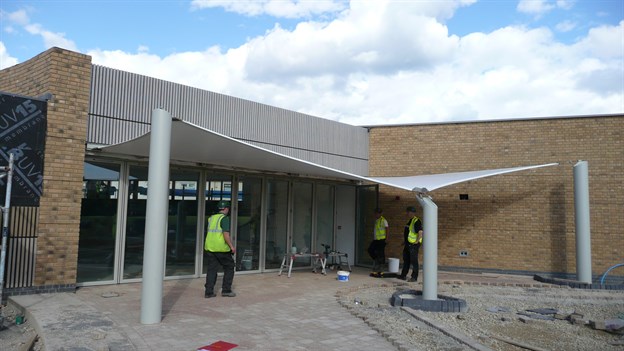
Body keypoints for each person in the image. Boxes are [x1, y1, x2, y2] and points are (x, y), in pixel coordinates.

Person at [204, 200, 237, 298]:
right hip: (221, 248)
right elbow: (225, 234)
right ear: (226, 209)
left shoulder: (211, 218)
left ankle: (208, 292)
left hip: (210, 247)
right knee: (229, 267)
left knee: (212, 269)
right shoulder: (224, 219)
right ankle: (226, 290)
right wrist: (231, 246)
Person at [398, 206, 423, 282]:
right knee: (406, 259)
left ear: (412, 212)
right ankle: (403, 275)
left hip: (413, 244)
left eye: (408, 212)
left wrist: (417, 241)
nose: (407, 213)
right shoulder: (410, 221)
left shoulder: (416, 221)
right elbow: (409, 233)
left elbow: (420, 232)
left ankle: (414, 277)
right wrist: (404, 241)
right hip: (408, 243)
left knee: (413, 260)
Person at [367, 207, 388, 272]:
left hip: (382, 239)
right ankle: (377, 260)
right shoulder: (376, 220)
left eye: (377, 213)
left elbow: (387, 229)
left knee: (381, 253)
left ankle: (381, 265)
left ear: (381, 213)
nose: (376, 214)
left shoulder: (383, 220)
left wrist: (387, 238)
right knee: (370, 250)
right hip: (376, 239)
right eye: (375, 213)